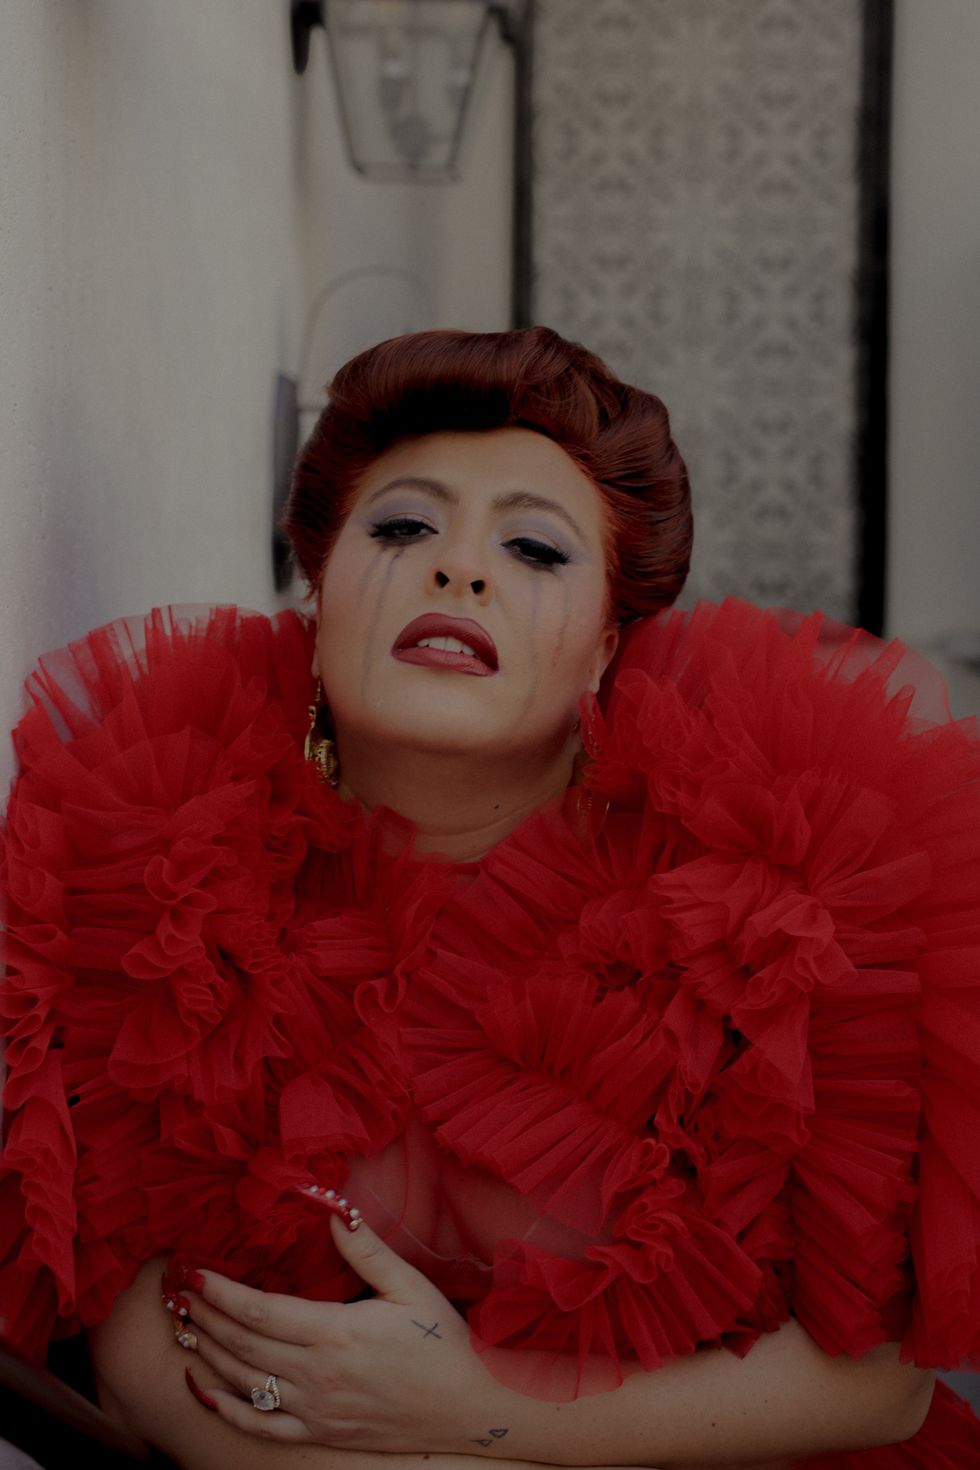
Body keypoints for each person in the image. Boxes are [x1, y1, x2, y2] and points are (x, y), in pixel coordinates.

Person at [1, 327, 978, 1470]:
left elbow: (877, 1389)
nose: (458, 569)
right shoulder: (162, 852)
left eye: (532, 548)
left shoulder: (782, 882)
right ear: (319, 591)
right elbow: (140, 1363)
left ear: (606, 644)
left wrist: (470, 1414)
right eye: (402, 528)